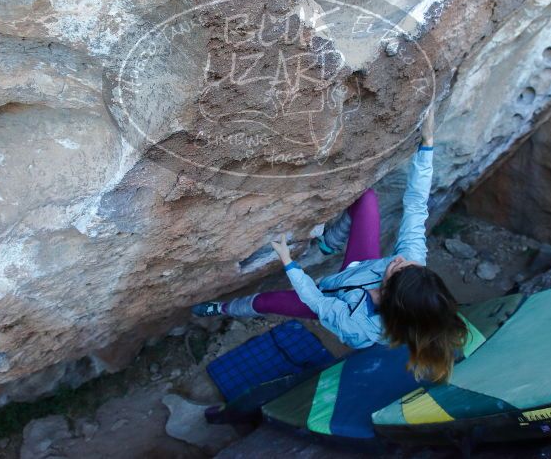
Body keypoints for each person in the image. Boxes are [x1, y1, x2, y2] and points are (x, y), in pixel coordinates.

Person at [192, 107, 467, 382]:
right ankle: (328, 243)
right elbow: (417, 206)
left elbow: (316, 300)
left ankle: (223, 308)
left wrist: (290, 263)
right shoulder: (411, 266)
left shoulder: (357, 327)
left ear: (388, 291)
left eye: (398, 269)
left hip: (328, 301)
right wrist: (427, 146)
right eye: (407, 263)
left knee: (267, 301)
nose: (400, 260)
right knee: (366, 201)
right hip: (358, 271)